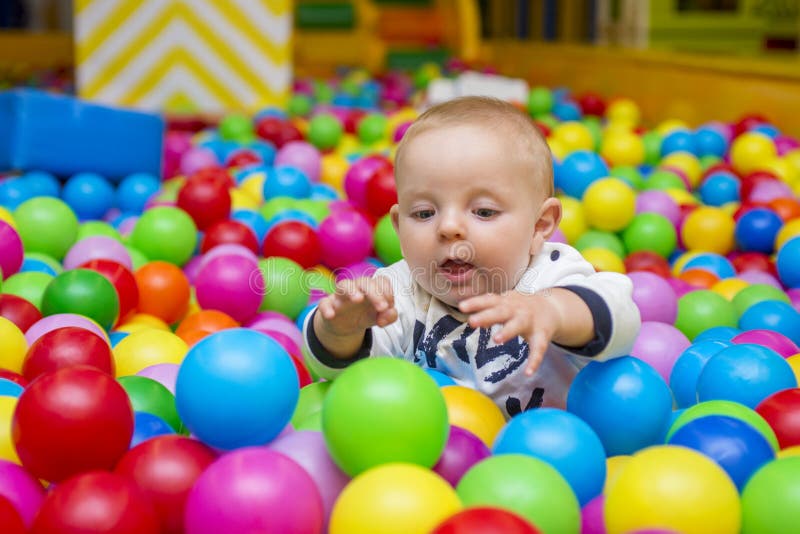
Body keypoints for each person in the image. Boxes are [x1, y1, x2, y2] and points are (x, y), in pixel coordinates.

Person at [303, 96, 641, 418]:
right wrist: (341, 329)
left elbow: (621, 316)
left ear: (539, 226)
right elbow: (340, 371)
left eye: (483, 211)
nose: (449, 227)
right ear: (398, 226)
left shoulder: (551, 276)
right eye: (423, 214)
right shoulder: (397, 291)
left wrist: (553, 310)